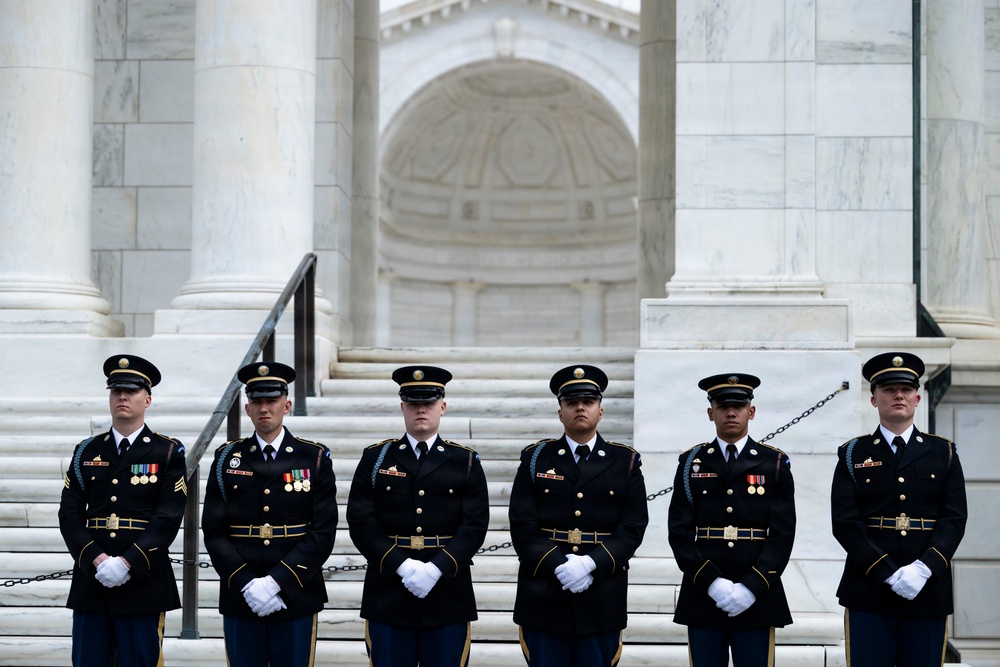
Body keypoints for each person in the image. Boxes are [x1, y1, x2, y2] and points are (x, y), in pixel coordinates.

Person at [347, 365, 489, 667]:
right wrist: (402, 566)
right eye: (413, 403)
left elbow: (475, 526)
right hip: (388, 593)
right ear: (402, 407)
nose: (421, 409)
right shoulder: (377, 458)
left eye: (429, 402)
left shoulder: (464, 461)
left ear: (443, 407)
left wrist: (436, 569)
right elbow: (361, 521)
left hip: (448, 594)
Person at [831, 352, 967, 667]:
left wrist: (923, 569)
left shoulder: (942, 452)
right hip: (868, 589)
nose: (898, 396)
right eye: (889, 389)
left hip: (927, 590)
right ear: (874, 399)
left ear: (918, 398)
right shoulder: (853, 453)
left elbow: (954, 519)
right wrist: (887, 572)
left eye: (905, 389)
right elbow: (845, 522)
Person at [508, 364, 648, 667]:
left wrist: (589, 564)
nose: (580, 408)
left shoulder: (624, 461)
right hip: (544, 594)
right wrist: (559, 566)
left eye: (588, 402)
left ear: (600, 410)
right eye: (571, 403)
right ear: (560, 412)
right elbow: (522, 524)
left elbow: (633, 527)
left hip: (601, 596)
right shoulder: (534, 459)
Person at [202, 361, 337, 667]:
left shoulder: (313, 458)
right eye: (257, 401)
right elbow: (213, 529)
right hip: (241, 593)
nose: (265, 408)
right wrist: (247, 583)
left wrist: (277, 582)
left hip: (296, 593)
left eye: (272, 401)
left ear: (286, 405)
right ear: (247, 409)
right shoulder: (226, 458)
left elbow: (323, 530)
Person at [58, 355, 187, 667]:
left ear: (148, 399)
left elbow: (167, 518)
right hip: (93, 580)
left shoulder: (167, 451)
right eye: (116, 391)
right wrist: (96, 560)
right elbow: (69, 514)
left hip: (143, 581)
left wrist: (128, 562)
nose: (123, 397)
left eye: (131, 391)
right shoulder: (87, 450)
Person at [667, 373, 795, 667]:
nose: (731, 412)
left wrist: (752, 586)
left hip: (758, 592)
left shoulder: (773, 462)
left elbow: (782, 533)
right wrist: (711, 583)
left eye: (739, 406)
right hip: (704, 593)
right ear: (711, 412)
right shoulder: (691, 463)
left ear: (751, 411)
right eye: (723, 406)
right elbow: (679, 531)